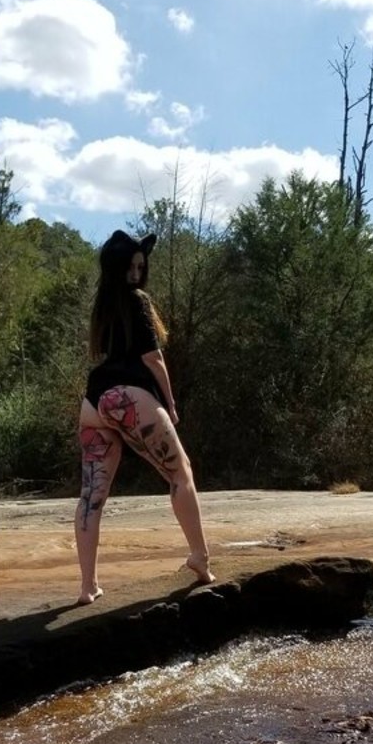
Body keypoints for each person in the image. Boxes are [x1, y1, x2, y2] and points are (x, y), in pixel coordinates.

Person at [74, 229, 214, 605]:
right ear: (118, 267)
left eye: (141, 266)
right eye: (131, 267)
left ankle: (88, 586)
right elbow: (153, 358)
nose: (137, 273)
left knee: (91, 496)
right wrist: (170, 403)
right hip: (129, 395)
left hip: (95, 401)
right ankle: (200, 557)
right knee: (181, 472)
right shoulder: (138, 300)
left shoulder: (103, 304)